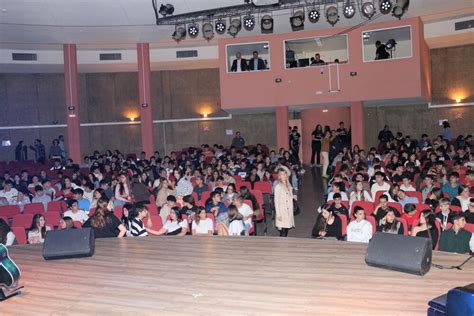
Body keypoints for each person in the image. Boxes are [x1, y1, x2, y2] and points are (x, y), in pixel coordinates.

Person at [274, 168, 295, 237]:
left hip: (288, 210)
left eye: (284, 174)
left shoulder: (288, 185)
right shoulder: (278, 186)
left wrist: (293, 197)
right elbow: (276, 201)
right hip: (282, 211)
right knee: (283, 230)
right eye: (281, 174)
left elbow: (288, 196)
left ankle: (284, 242)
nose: (284, 175)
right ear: (279, 176)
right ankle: (282, 244)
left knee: (286, 229)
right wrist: (278, 214)